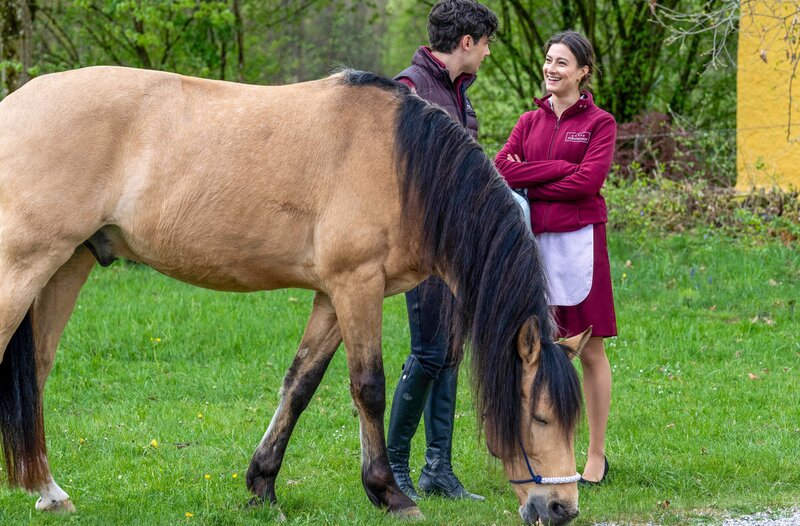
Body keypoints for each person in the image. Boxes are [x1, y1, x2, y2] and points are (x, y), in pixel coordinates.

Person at [494, 30, 617, 485]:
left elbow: (589, 183)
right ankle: (538, 444)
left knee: (590, 349)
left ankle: (596, 453)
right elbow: (501, 168)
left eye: (562, 62)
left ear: (583, 72)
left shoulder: (600, 123)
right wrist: (560, 170)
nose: (551, 68)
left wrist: (531, 183)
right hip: (534, 247)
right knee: (538, 350)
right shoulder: (529, 121)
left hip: (581, 244)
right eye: (548, 60)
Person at [387, 0, 498, 502]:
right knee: (430, 350)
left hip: (458, 244)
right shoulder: (407, 89)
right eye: (486, 42)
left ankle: (439, 469)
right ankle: (392, 466)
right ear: (467, 42)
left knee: (451, 352)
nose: (489, 52)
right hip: (421, 243)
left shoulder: (459, 95)